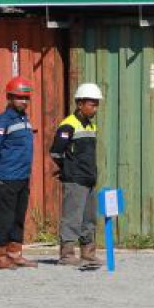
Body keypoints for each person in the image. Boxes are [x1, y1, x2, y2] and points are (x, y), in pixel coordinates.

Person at [51, 83, 103, 269]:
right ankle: (67, 255)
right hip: (75, 180)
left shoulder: (91, 125)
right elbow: (56, 152)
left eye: (97, 104)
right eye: (92, 104)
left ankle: (88, 253)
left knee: (89, 218)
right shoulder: (67, 125)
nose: (95, 108)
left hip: (89, 179)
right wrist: (68, 169)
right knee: (72, 217)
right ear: (80, 104)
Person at [0, 77, 37, 270]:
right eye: (19, 98)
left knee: (18, 218)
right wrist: (2, 170)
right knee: (4, 219)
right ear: (9, 97)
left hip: (22, 177)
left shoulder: (24, 119)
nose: (23, 102)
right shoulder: (2, 121)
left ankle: (14, 253)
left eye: (26, 98)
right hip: (6, 178)